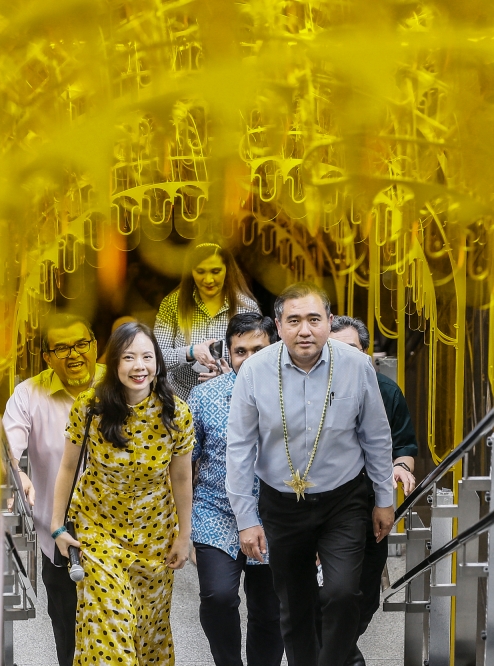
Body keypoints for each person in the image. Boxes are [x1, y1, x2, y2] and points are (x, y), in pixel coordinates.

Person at [226, 282, 395, 666]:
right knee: (295, 603)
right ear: (278, 325)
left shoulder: (355, 366)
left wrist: (384, 499)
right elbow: (239, 448)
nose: (305, 330)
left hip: (343, 500)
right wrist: (245, 518)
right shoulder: (254, 371)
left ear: (329, 322)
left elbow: (376, 435)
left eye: (314, 320)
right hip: (281, 503)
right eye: (295, 320)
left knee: (342, 592)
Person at [50, 322, 194, 665]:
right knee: (108, 627)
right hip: (99, 532)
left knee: (148, 635)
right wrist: (57, 526)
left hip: (155, 536)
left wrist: (183, 537)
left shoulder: (176, 413)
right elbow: (68, 468)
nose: (138, 366)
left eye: (147, 356)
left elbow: (182, 479)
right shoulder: (90, 407)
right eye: (129, 357)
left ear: (157, 362)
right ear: (114, 364)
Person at [2, 313, 103, 666]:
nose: (73, 354)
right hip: (60, 535)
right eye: (61, 348)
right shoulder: (28, 394)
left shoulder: (119, 383)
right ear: (46, 357)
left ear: (95, 344)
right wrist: (18, 473)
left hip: (122, 529)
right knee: (69, 629)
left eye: (80, 344)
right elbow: (8, 448)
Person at [188, 313, 284, 666]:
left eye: (258, 348)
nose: (250, 358)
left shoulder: (296, 395)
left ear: (275, 348)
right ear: (228, 355)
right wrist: (183, 528)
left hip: (276, 517)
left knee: (270, 609)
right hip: (216, 513)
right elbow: (185, 465)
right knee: (217, 597)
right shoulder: (204, 397)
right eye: (240, 351)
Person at [328, 316, 417, 666]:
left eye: (352, 350)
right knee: (333, 593)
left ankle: (340, 650)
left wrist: (401, 467)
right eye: (335, 351)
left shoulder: (387, 391)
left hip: (372, 509)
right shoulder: (307, 391)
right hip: (324, 511)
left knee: (364, 598)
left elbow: (405, 445)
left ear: (367, 355)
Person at [154, 242, 260, 400]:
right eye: (200, 271)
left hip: (228, 400)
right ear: (191, 271)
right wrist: (190, 352)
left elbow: (257, 362)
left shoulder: (246, 308)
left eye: (216, 271)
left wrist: (226, 377)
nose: (208, 279)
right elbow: (155, 357)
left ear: (227, 270)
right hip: (179, 400)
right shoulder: (172, 305)